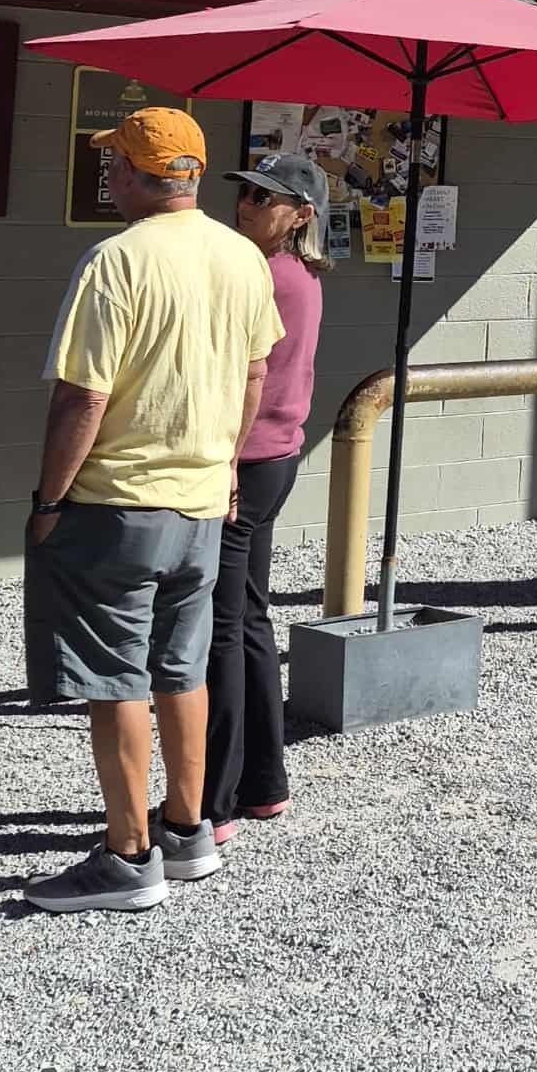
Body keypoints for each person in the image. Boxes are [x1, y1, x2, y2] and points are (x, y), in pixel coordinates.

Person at [23, 108, 282, 916]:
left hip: (118, 502)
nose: (108, 177)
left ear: (139, 175)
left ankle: (128, 855)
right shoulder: (242, 256)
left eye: (115, 165)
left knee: (116, 680)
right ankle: (188, 829)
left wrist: (49, 499)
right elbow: (254, 375)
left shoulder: (116, 260)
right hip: (203, 500)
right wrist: (227, 465)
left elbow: (83, 395)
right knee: (182, 668)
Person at [204, 150, 329, 842]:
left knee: (222, 628)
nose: (247, 205)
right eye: (247, 192)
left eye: (265, 198)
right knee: (249, 619)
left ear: (301, 215)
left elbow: (233, 369)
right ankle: (264, 783)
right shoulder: (297, 276)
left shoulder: (265, 275)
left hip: (244, 463)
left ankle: (213, 801)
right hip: (272, 458)